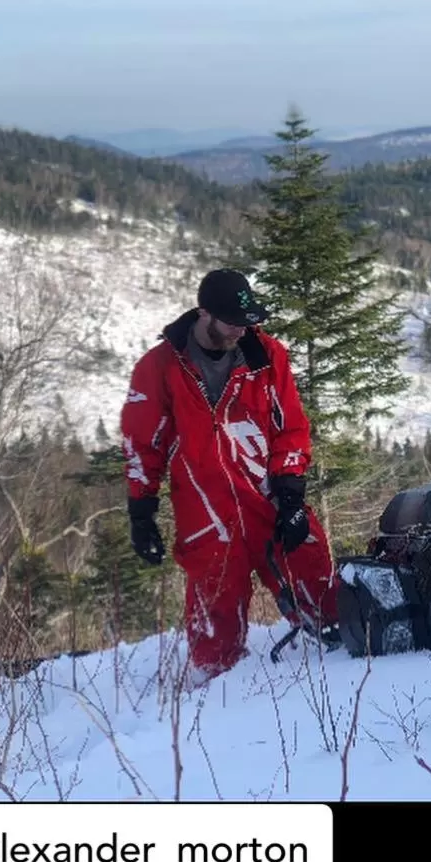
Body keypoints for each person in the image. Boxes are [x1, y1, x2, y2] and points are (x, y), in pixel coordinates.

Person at [119, 268, 341, 684]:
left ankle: (343, 662)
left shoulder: (266, 356)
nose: (242, 330)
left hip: (268, 497)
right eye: (232, 322)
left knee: (318, 580)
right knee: (215, 630)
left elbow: (292, 427)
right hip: (206, 511)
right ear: (204, 314)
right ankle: (217, 698)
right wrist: (141, 512)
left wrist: (291, 493)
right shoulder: (160, 367)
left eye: (247, 321)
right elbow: (142, 443)